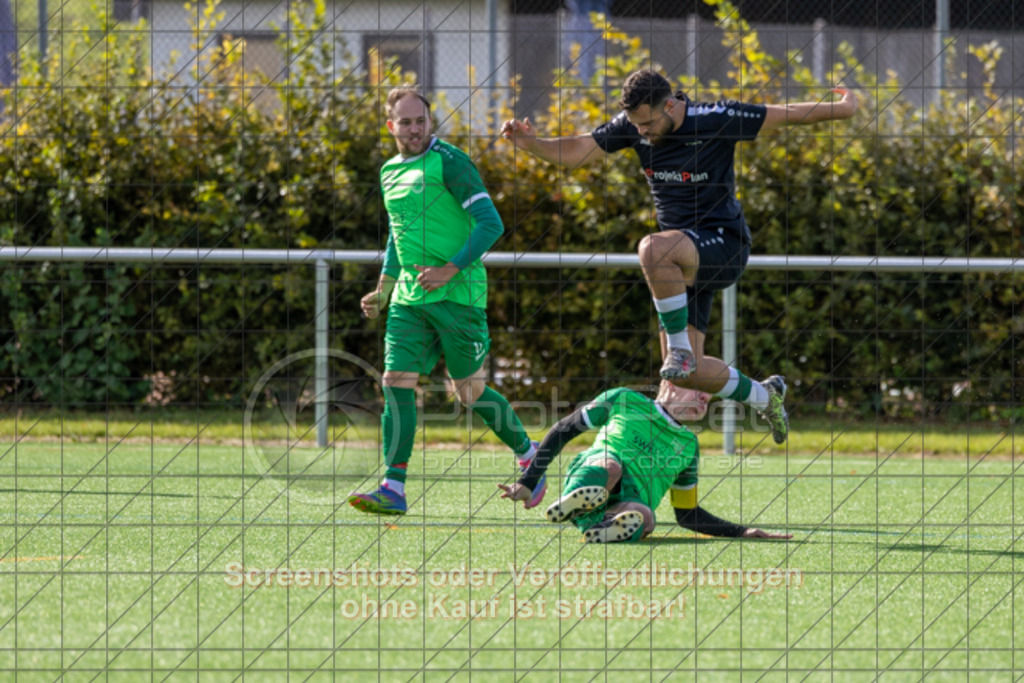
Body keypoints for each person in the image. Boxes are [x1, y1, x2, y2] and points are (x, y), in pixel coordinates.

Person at [501, 69, 858, 444]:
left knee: (652, 249)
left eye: (649, 123)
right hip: (679, 261)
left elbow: (787, 114)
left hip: (724, 245)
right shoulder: (633, 125)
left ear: (670, 105)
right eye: (636, 125)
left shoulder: (717, 118)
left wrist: (843, 109)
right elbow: (577, 151)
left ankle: (681, 353)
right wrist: (532, 143)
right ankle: (765, 396)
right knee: (682, 378)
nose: (642, 133)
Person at [349, 87, 546, 516]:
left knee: (469, 392)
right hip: (409, 299)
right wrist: (384, 289)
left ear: (428, 121)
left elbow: (490, 224)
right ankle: (393, 486)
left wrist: (449, 270)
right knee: (395, 379)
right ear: (391, 126)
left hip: (459, 296)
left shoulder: (451, 162)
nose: (415, 129)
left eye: (421, 120)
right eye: (406, 122)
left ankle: (531, 454)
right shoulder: (388, 172)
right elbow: (399, 236)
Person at [499, 382, 792, 543]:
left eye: (709, 393)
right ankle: (574, 501)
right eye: (698, 387)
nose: (705, 396)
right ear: (668, 382)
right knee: (610, 467)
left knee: (646, 516)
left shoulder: (689, 445)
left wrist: (741, 531)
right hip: (597, 471)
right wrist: (528, 482)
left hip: (623, 503)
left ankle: (597, 526)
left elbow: (687, 514)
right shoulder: (625, 399)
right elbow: (564, 429)